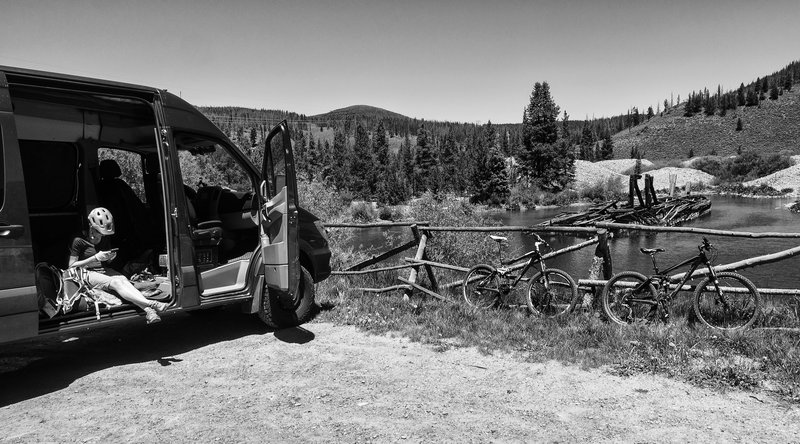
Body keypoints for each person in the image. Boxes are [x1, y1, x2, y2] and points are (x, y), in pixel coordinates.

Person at [68, 207, 168, 324]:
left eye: (104, 234)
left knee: (124, 281)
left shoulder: (104, 238)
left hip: (103, 270)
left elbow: (105, 262)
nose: (102, 237)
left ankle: (150, 312)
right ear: (91, 227)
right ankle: (151, 304)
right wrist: (94, 258)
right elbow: (71, 266)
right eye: (99, 233)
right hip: (86, 273)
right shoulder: (78, 240)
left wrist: (109, 258)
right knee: (116, 283)